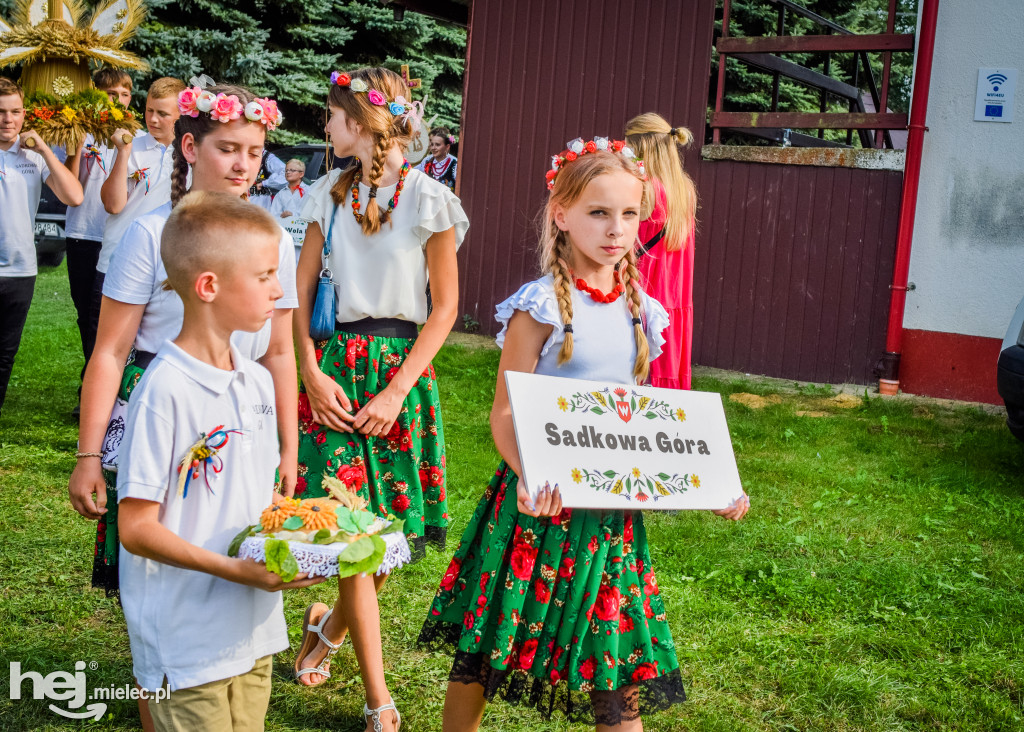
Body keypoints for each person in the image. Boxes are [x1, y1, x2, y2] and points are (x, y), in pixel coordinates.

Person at [417, 138, 750, 731]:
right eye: (599, 213)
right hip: (536, 506)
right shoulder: (539, 306)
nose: (616, 229)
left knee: (615, 656)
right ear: (562, 215)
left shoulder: (644, 310)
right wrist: (527, 475)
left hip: (610, 519)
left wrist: (712, 484)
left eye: (628, 214)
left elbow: (643, 429)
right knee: (493, 638)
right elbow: (504, 413)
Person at [69, 83, 298, 596]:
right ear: (191, 148)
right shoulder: (151, 234)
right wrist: (88, 457)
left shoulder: (276, 239)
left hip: (245, 402)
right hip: (166, 406)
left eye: (255, 153)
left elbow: (280, 350)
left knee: (238, 531)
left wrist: (289, 443)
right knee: (166, 542)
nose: (243, 165)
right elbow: (109, 350)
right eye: (228, 148)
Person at [291, 67, 468, 731]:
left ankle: (328, 630)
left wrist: (398, 390)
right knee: (351, 538)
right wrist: (311, 372)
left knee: (384, 536)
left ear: (361, 123)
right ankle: (378, 698)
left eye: (332, 118)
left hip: (401, 375)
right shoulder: (323, 197)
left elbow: (445, 309)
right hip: (337, 371)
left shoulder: (429, 199)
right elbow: (298, 297)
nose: (327, 129)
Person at [116, 190, 324, 731]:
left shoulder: (255, 380)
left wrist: (304, 537)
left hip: (252, 632)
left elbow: (252, 504)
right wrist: (234, 570)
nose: (280, 290)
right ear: (208, 286)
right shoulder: (163, 391)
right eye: (264, 277)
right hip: (186, 644)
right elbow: (135, 528)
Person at [0, 76, 84, 416]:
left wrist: (46, 150)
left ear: (24, 114)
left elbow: (74, 196)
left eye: (15, 111)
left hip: (21, 268)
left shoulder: (33, 156)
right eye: (1, 111)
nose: (8, 119)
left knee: (5, 352)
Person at [63, 68, 134, 415]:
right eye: (110, 94)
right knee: (84, 313)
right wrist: (77, 148)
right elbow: (70, 186)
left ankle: (94, 390)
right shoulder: (81, 131)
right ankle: (92, 379)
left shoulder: (134, 135)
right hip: (83, 232)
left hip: (118, 237)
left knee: (105, 315)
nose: (118, 100)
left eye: (124, 94)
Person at [92, 76, 184, 324]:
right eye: (149, 110)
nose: (153, 119)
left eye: (163, 113)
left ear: (182, 114)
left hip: (166, 267)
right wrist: (123, 154)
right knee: (103, 348)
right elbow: (113, 205)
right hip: (118, 260)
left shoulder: (191, 154)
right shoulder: (132, 146)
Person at [624, 114, 698, 390]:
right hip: (674, 295)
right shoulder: (684, 188)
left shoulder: (643, 188)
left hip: (644, 293)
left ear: (641, 146)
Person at [269, 158, 309, 260]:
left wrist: (294, 217)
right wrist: (283, 217)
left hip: (303, 238)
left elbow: (312, 214)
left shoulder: (309, 192)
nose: (288, 172)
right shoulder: (281, 194)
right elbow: (273, 216)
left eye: (292, 170)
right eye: (286, 170)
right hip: (286, 237)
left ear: (301, 174)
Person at [416, 126, 457, 191]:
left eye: (437, 144)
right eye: (431, 143)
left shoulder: (455, 164)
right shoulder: (427, 161)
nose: (433, 147)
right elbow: (414, 173)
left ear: (447, 146)